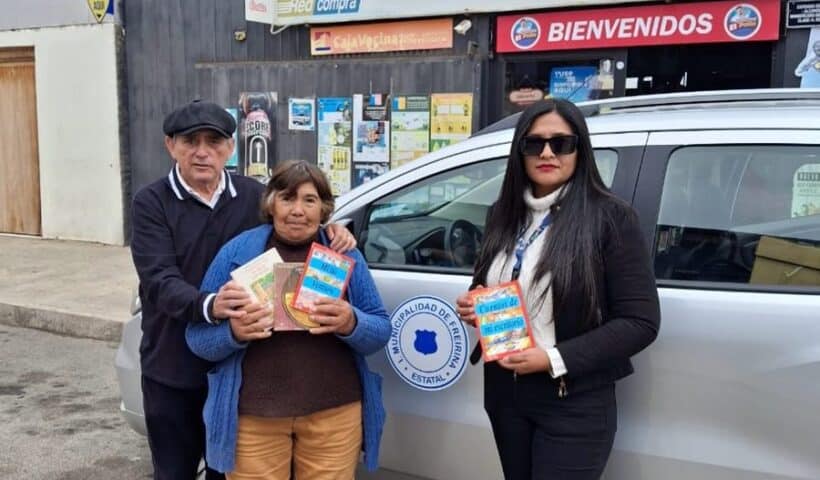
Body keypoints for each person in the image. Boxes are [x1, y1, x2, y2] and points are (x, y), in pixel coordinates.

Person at [130, 100, 356, 480]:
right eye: (190, 141)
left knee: (227, 472)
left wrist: (331, 231)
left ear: (230, 148)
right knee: (174, 471)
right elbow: (159, 279)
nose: (203, 152)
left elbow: (293, 219)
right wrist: (210, 304)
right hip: (173, 366)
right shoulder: (151, 202)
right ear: (171, 145)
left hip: (236, 369)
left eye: (214, 141)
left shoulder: (252, 195)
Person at [456, 99, 660, 480]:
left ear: (580, 149)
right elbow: (489, 281)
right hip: (506, 396)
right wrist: (474, 303)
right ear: (520, 151)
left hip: (573, 400)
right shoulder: (502, 213)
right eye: (534, 143)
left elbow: (640, 322)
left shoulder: (610, 218)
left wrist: (553, 358)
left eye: (561, 143)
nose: (547, 153)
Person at [185, 159, 391, 479]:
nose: (298, 210)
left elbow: (381, 330)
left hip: (334, 415)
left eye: (309, 200)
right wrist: (233, 333)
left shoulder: (343, 254)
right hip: (254, 419)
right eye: (287, 198)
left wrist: (352, 322)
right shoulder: (237, 254)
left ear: (323, 208)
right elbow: (197, 338)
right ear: (271, 204)